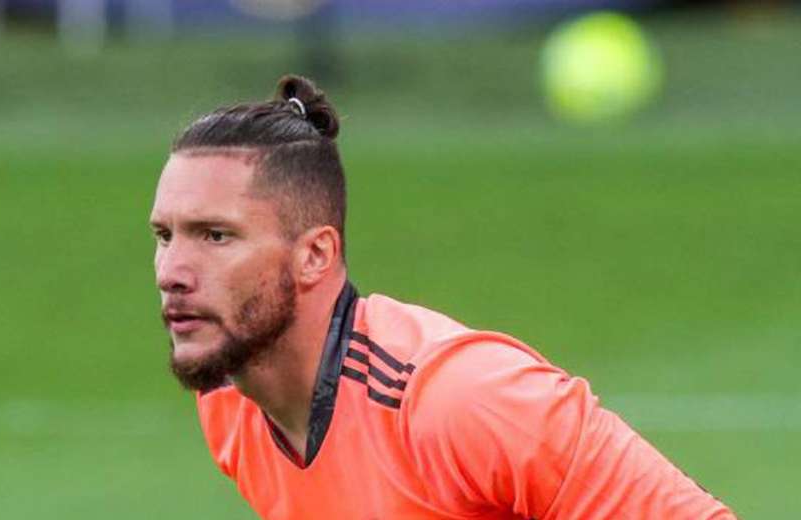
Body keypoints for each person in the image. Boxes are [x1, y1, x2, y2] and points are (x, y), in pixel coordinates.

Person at [149, 74, 736, 519]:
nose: (172, 271)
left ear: (316, 255)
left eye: (216, 236)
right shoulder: (231, 405)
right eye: (165, 236)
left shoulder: (460, 399)